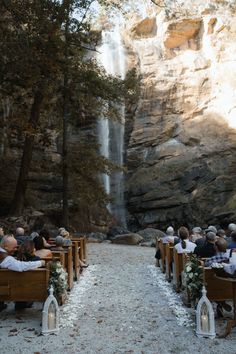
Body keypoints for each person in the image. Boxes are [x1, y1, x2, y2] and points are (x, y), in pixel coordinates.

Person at [0, 235, 45, 312]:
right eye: (14, 247)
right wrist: (40, 263)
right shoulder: (7, 259)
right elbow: (20, 266)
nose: (16, 249)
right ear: (6, 247)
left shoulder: (4, 256)